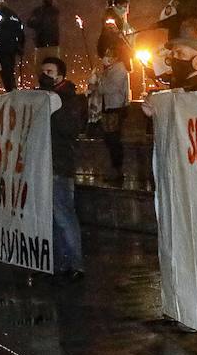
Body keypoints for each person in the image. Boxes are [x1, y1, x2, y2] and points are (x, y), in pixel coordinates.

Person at [39, 57, 85, 281]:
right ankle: (60, 263)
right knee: (54, 217)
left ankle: (75, 263)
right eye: (43, 71)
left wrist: (54, 107)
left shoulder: (68, 99)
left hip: (60, 163)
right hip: (46, 163)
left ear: (60, 75)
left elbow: (68, 129)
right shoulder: (44, 97)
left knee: (64, 214)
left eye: (50, 71)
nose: (45, 74)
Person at [92, 53, 130, 183]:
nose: (103, 58)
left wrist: (98, 81)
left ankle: (117, 171)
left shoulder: (119, 69)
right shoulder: (110, 70)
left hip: (115, 108)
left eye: (107, 55)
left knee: (114, 141)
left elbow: (109, 88)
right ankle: (114, 169)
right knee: (110, 140)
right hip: (109, 108)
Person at [0, 0, 26, 92]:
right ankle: (13, 89)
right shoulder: (15, 16)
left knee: (4, 71)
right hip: (13, 48)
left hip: (2, 46)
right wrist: (21, 47)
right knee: (10, 70)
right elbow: (21, 34)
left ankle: (10, 91)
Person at [28, 0, 61, 69]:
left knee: (54, 67)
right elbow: (30, 23)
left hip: (52, 44)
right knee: (39, 68)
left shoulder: (54, 10)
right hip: (41, 44)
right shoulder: (38, 11)